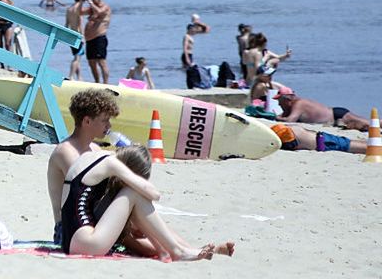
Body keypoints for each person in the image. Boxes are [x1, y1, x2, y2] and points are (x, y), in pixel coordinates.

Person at [60, 146, 234, 260]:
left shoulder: (94, 158)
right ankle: (178, 251)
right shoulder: (111, 164)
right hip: (87, 242)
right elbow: (153, 194)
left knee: (142, 226)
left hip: (73, 241)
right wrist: (136, 183)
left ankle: (190, 250)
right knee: (134, 193)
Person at [46, 88, 120, 244]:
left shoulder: (95, 149)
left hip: (93, 222)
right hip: (69, 230)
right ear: (87, 121)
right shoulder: (65, 151)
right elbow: (87, 184)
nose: (109, 125)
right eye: (105, 120)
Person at [275, 92, 372, 132]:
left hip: (337, 115)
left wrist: (276, 117)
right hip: (336, 118)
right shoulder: (294, 105)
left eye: (280, 102)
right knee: (367, 124)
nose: (279, 105)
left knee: (371, 123)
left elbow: (290, 120)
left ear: (287, 100)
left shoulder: (299, 104)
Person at [271, 124, 370, 154]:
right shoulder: (287, 129)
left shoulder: (286, 135)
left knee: (352, 145)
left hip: (324, 142)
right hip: (322, 138)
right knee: (351, 143)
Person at [84, 0, 112, 84]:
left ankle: (106, 83)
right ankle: (97, 82)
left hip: (99, 38)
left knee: (101, 62)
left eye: (92, 0)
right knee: (91, 62)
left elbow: (99, 12)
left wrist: (91, 3)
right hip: (89, 40)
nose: (90, 2)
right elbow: (79, 12)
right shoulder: (92, 9)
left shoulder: (105, 7)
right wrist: (80, 2)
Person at [64, 0, 88, 80]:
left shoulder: (69, 9)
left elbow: (66, 24)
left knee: (77, 57)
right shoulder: (79, 8)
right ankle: (71, 76)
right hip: (78, 35)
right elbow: (80, 22)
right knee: (77, 58)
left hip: (70, 35)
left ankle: (79, 77)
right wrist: (83, 37)